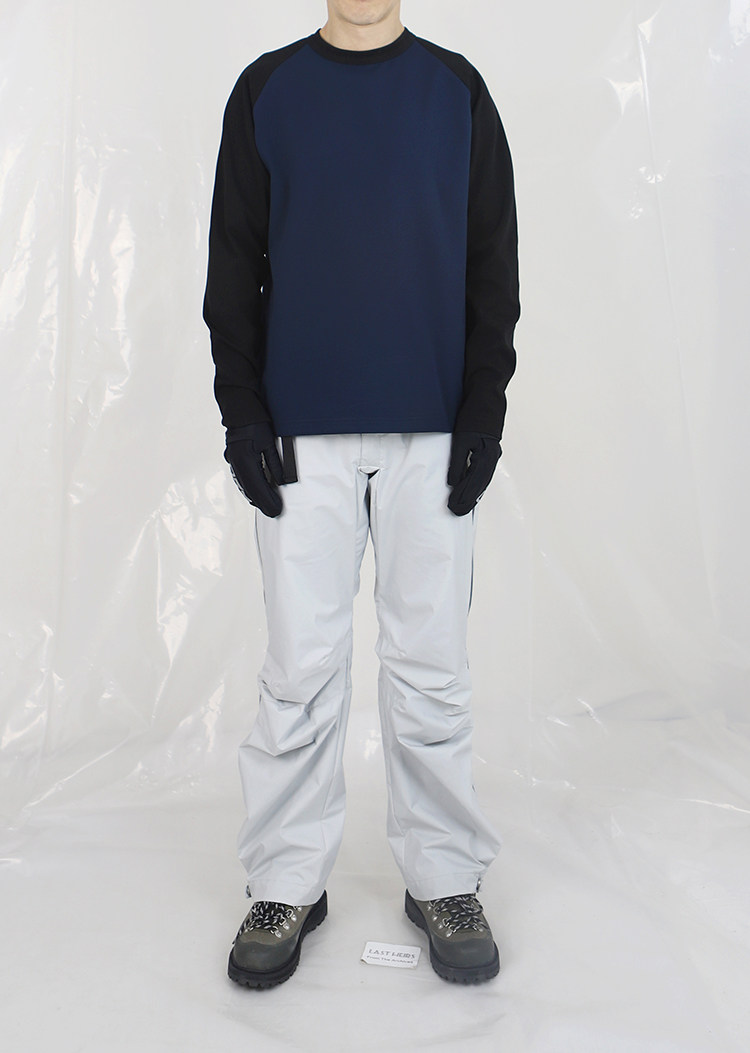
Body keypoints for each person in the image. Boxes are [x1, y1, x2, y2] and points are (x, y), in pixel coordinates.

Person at [202, 0, 520, 988]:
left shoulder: (457, 93)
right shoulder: (267, 91)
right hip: (300, 434)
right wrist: (243, 412)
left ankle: (444, 877)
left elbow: (492, 265)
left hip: (433, 429)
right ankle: (287, 881)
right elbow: (232, 265)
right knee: (300, 672)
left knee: (432, 669)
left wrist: (484, 408)